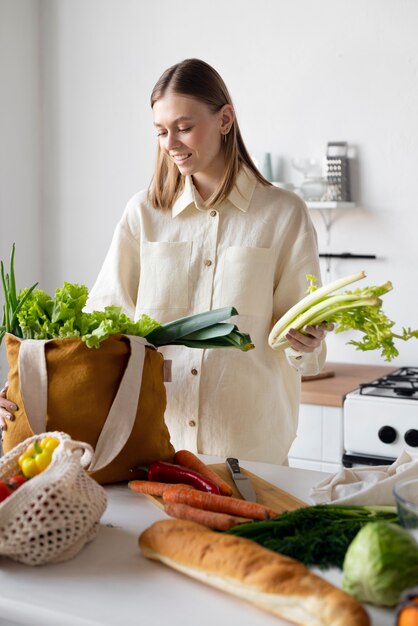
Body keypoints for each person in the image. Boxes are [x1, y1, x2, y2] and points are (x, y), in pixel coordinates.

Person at [0, 59, 330, 464]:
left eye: (184, 127)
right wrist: (22, 386)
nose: (171, 142)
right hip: (151, 446)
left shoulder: (284, 214)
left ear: (225, 119)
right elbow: (100, 330)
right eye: (161, 131)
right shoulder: (143, 214)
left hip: (250, 452)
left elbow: (304, 353)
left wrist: (308, 341)